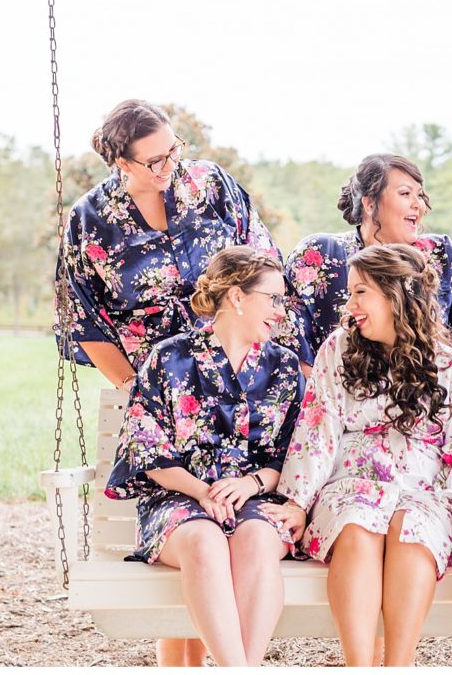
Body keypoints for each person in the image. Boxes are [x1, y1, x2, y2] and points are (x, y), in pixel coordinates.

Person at [55, 99, 281, 665]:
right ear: (120, 163)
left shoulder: (211, 186)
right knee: (196, 540)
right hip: (164, 396)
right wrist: (147, 385)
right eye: (154, 161)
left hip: (238, 382)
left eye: (174, 151)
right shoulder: (91, 219)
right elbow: (80, 318)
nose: (170, 167)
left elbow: (263, 265)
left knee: (236, 542)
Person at [262, 244, 452, 666]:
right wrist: (298, 502)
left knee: (412, 530)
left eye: (361, 293)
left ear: (396, 295)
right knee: (357, 526)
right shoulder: (338, 350)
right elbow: (317, 428)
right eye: (350, 293)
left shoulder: (444, 362)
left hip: (423, 486)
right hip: (350, 481)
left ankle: (399, 665)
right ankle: (358, 666)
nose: (350, 305)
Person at [104, 247, 304, 666]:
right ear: (237, 297)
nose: (282, 312)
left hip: (256, 500)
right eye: (273, 299)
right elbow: (147, 447)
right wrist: (203, 491)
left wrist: (250, 483)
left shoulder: (284, 367)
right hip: (179, 499)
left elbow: (293, 453)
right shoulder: (169, 358)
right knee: (204, 541)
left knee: (256, 540)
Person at [282, 154, 452, 377]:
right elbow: (294, 346)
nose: (418, 205)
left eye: (420, 195)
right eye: (405, 194)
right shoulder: (318, 255)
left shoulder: (443, 256)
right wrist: (331, 403)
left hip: (433, 400)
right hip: (339, 401)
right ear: (369, 204)